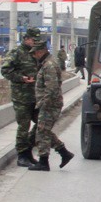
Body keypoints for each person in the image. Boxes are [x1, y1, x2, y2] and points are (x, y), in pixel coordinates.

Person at [28, 40, 75, 172]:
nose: (34, 55)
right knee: (42, 130)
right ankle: (64, 153)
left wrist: (43, 104)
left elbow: (52, 88)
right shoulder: (45, 64)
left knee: (42, 131)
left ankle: (44, 162)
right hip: (48, 103)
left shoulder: (49, 65)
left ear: (41, 51)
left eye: (35, 53)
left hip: (50, 105)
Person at [0, 27, 41, 167]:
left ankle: (29, 148)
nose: (35, 42)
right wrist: (21, 78)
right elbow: (5, 70)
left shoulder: (36, 53)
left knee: (42, 123)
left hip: (36, 96)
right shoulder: (17, 53)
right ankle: (22, 156)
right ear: (26, 39)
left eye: (37, 40)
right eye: (33, 39)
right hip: (21, 97)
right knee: (24, 126)